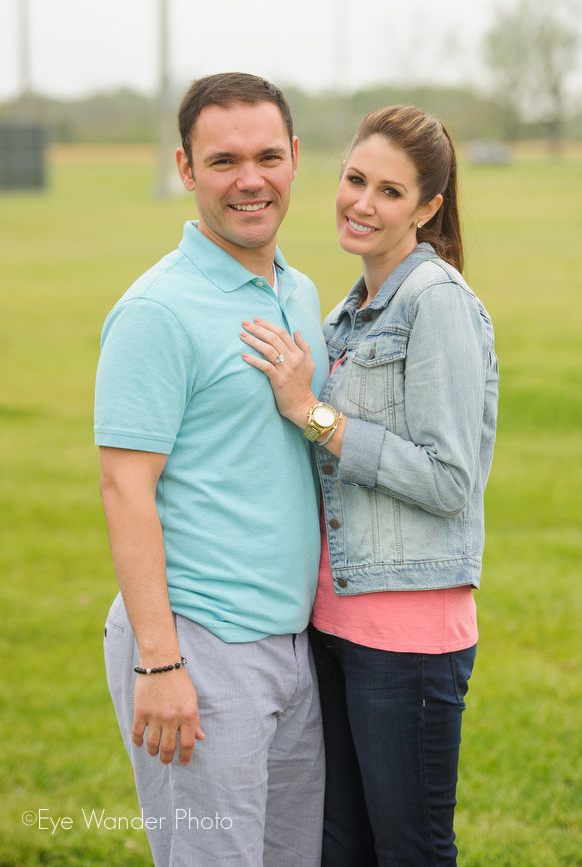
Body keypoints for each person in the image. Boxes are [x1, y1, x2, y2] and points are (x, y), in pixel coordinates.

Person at [241, 104, 499, 866]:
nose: (361, 202)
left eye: (389, 192)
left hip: (408, 639)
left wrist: (312, 413)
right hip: (333, 622)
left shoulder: (436, 302)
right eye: (355, 178)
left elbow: (449, 479)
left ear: (426, 208)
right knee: (340, 848)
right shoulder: (345, 313)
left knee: (409, 850)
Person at [94, 72, 329, 867]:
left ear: (294, 159)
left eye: (267, 156)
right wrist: (159, 663)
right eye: (223, 161)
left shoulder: (298, 292)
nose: (250, 180)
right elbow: (125, 487)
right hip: (197, 643)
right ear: (187, 170)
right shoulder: (156, 311)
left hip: (292, 647)